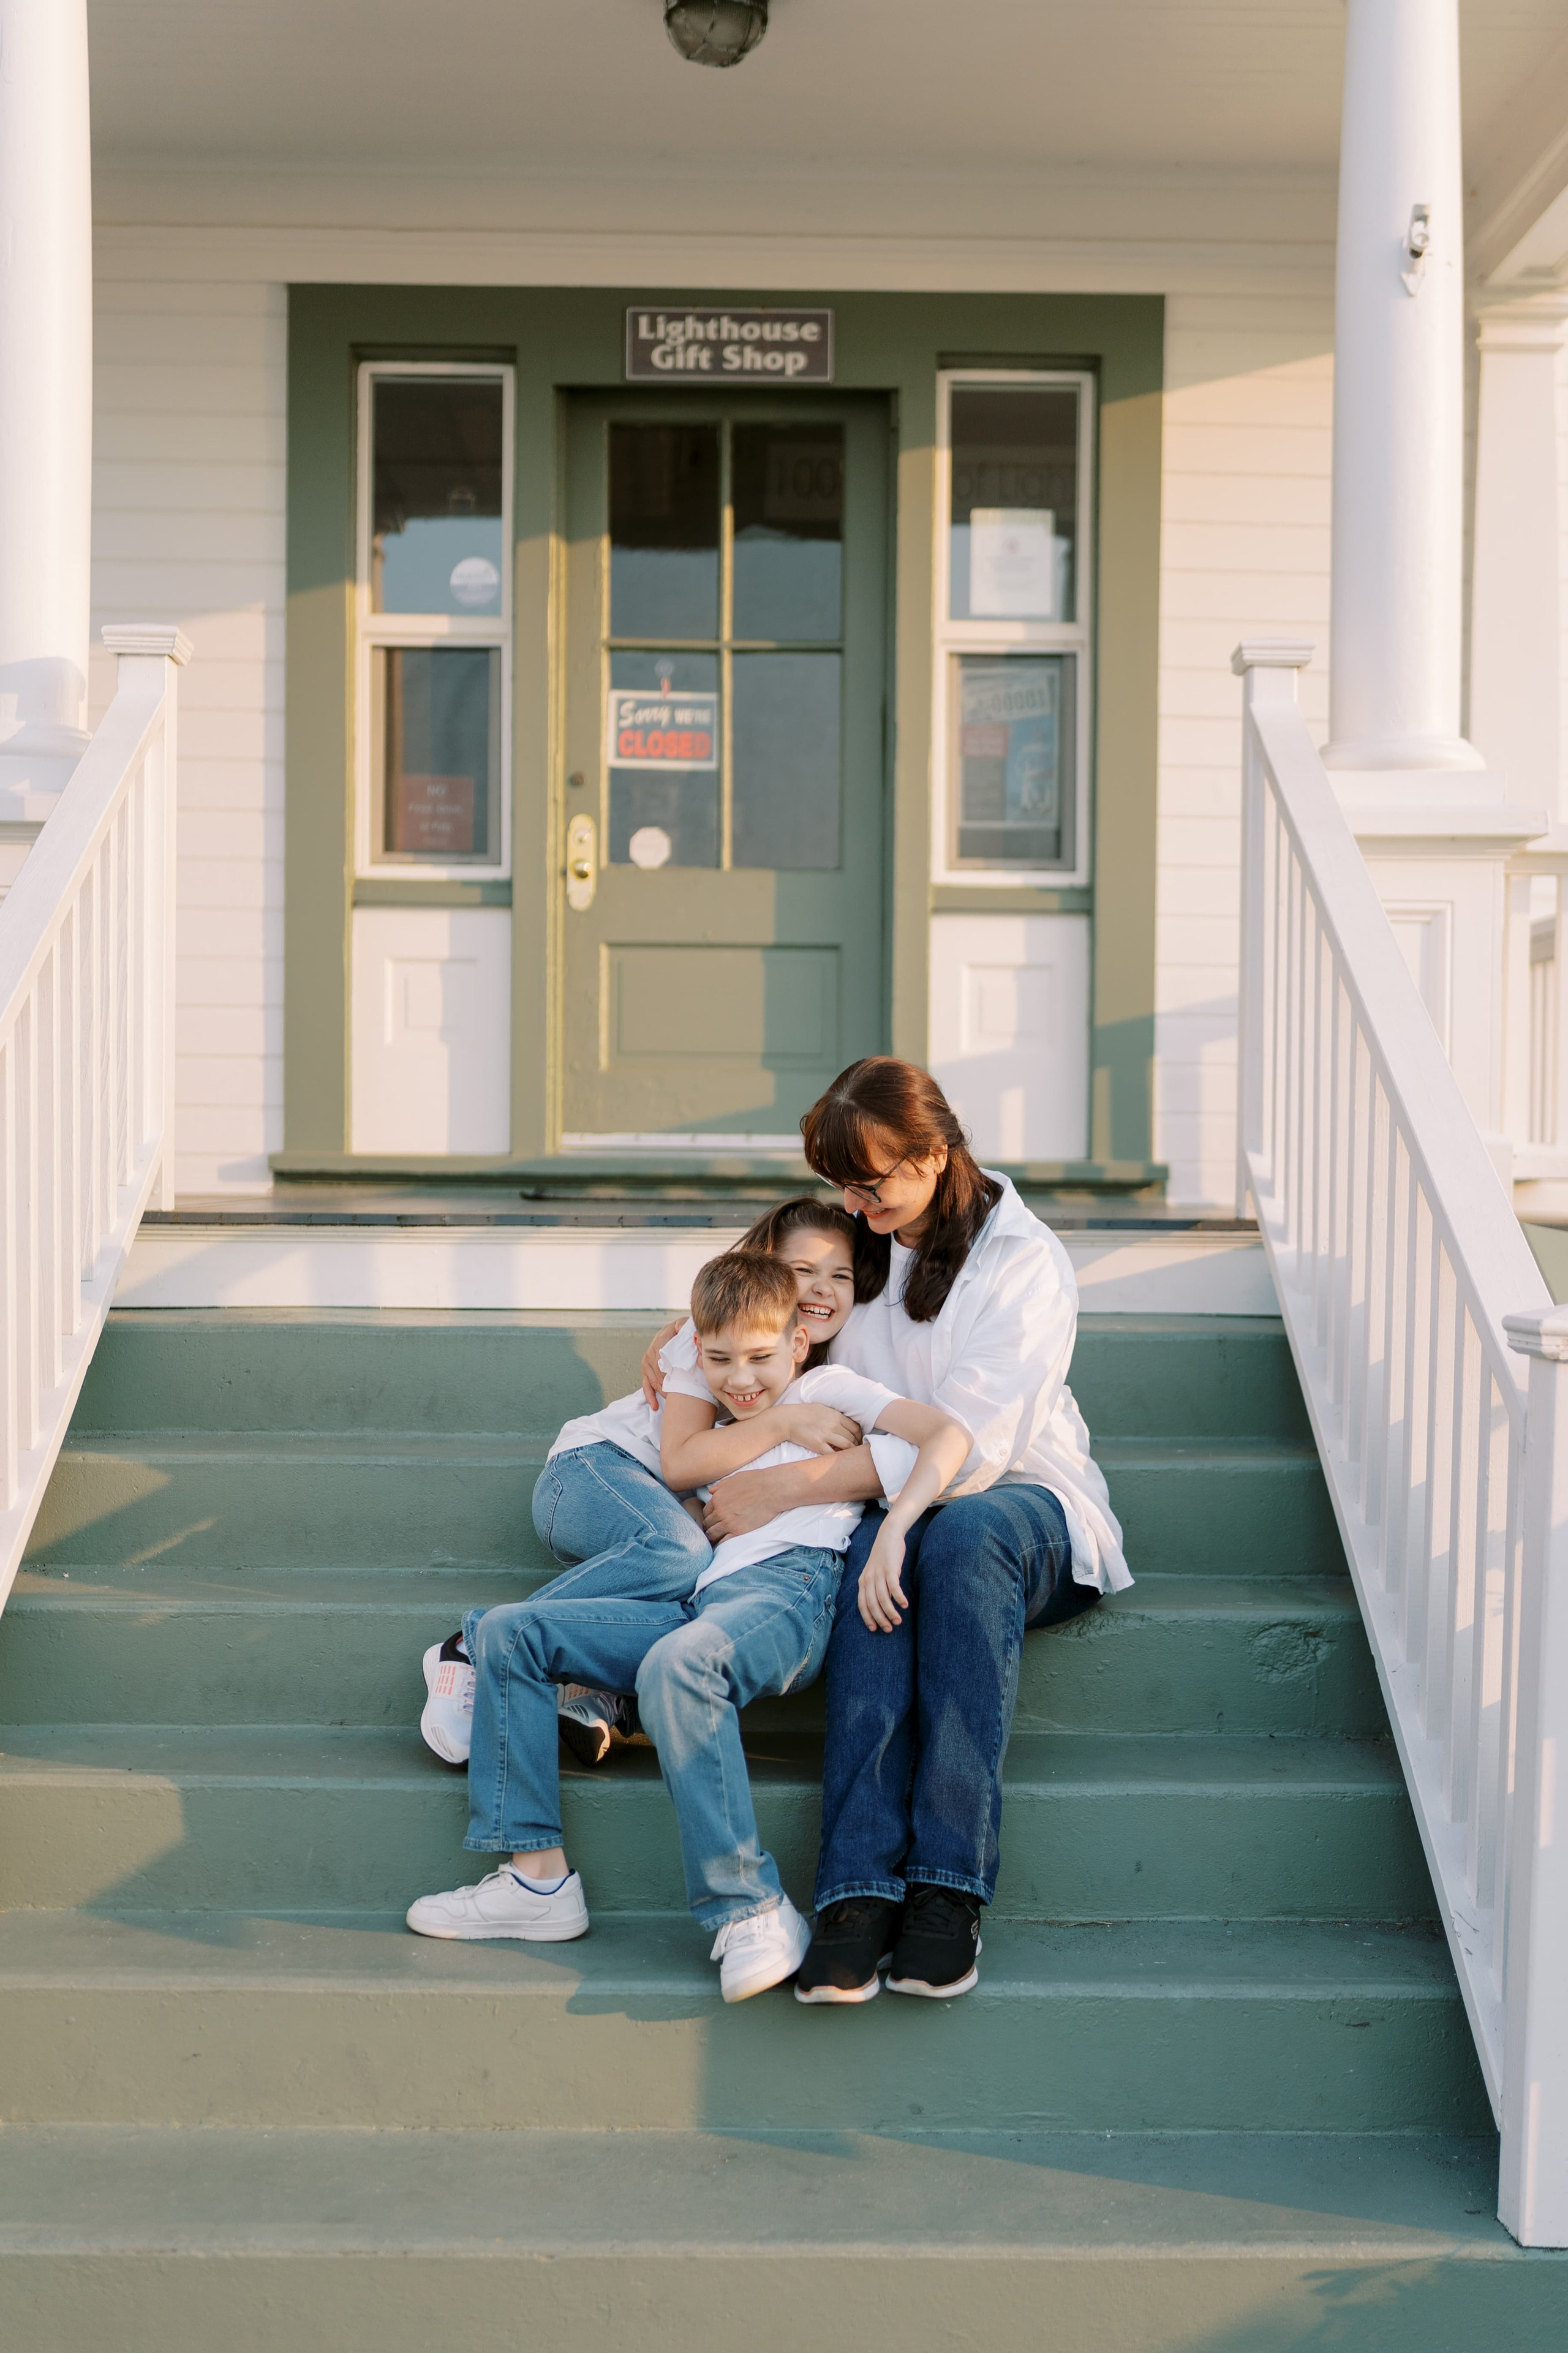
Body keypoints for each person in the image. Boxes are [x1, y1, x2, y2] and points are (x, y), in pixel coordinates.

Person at [642, 1057, 1129, 2005]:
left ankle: (947, 1889)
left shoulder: (1025, 1264)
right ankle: (856, 1894)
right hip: (883, 1513)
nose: (858, 1208)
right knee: (873, 1551)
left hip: (1024, 1507)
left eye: (873, 1184)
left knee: (958, 1537)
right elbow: (776, 1306)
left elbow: (977, 1449)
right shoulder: (872, 1236)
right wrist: (680, 1342)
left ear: (937, 1154)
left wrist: (789, 1486)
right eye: (845, 1188)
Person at [404, 1250, 970, 2004]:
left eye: (762, 1357)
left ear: (799, 1343)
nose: (741, 1377)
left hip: (786, 1591)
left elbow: (950, 1437)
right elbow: (678, 1442)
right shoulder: (711, 1411)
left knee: (679, 1664)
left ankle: (752, 1909)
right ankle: (535, 1883)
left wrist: (896, 1528)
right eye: (721, 1359)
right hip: (700, 1597)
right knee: (510, 1632)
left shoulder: (829, 1387)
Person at [418, 1196, 875, 1769]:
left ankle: (603, 1699)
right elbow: (682, 1461)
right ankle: (475, 1647)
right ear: (766, 1269)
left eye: (841, 1275)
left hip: (655, 1501)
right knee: (681, 1552)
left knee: (700, 1569)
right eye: (802, 1271)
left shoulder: (812, 1361)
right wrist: (783, 1421)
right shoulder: (715, 1342)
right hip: (595, 1469)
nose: (820, 1289)